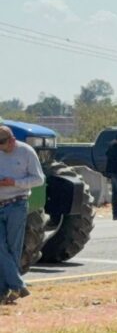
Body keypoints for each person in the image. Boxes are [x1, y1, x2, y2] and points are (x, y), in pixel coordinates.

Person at [0, 125, 45, 305]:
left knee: (13, 248)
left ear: (12, 140)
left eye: (3, 144)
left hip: (17, 203)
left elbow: (39, 179)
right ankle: (18, 285)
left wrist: (14, 182)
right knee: (1, 248)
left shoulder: (26, 152)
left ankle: (3, 291)